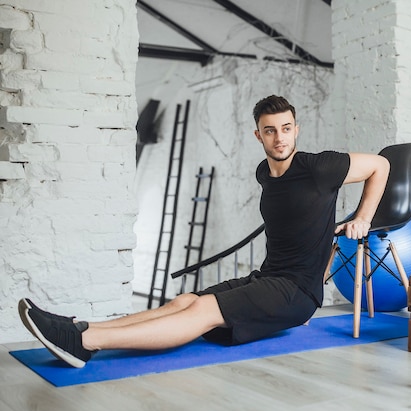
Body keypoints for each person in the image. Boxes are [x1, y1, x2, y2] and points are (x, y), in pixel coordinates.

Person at [18, 95, 390, 368]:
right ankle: (85, 325)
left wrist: (363, 218)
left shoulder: (320, 167)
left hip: (295, 293)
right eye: (271, 131)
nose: (281, 138)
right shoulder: (265, 173)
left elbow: (381, 165)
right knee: (185, 301)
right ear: (258, 135)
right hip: (270, 278)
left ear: (297, 130)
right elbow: (309, 230)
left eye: (287, 129)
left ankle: (85, 342)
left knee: (204, 313)